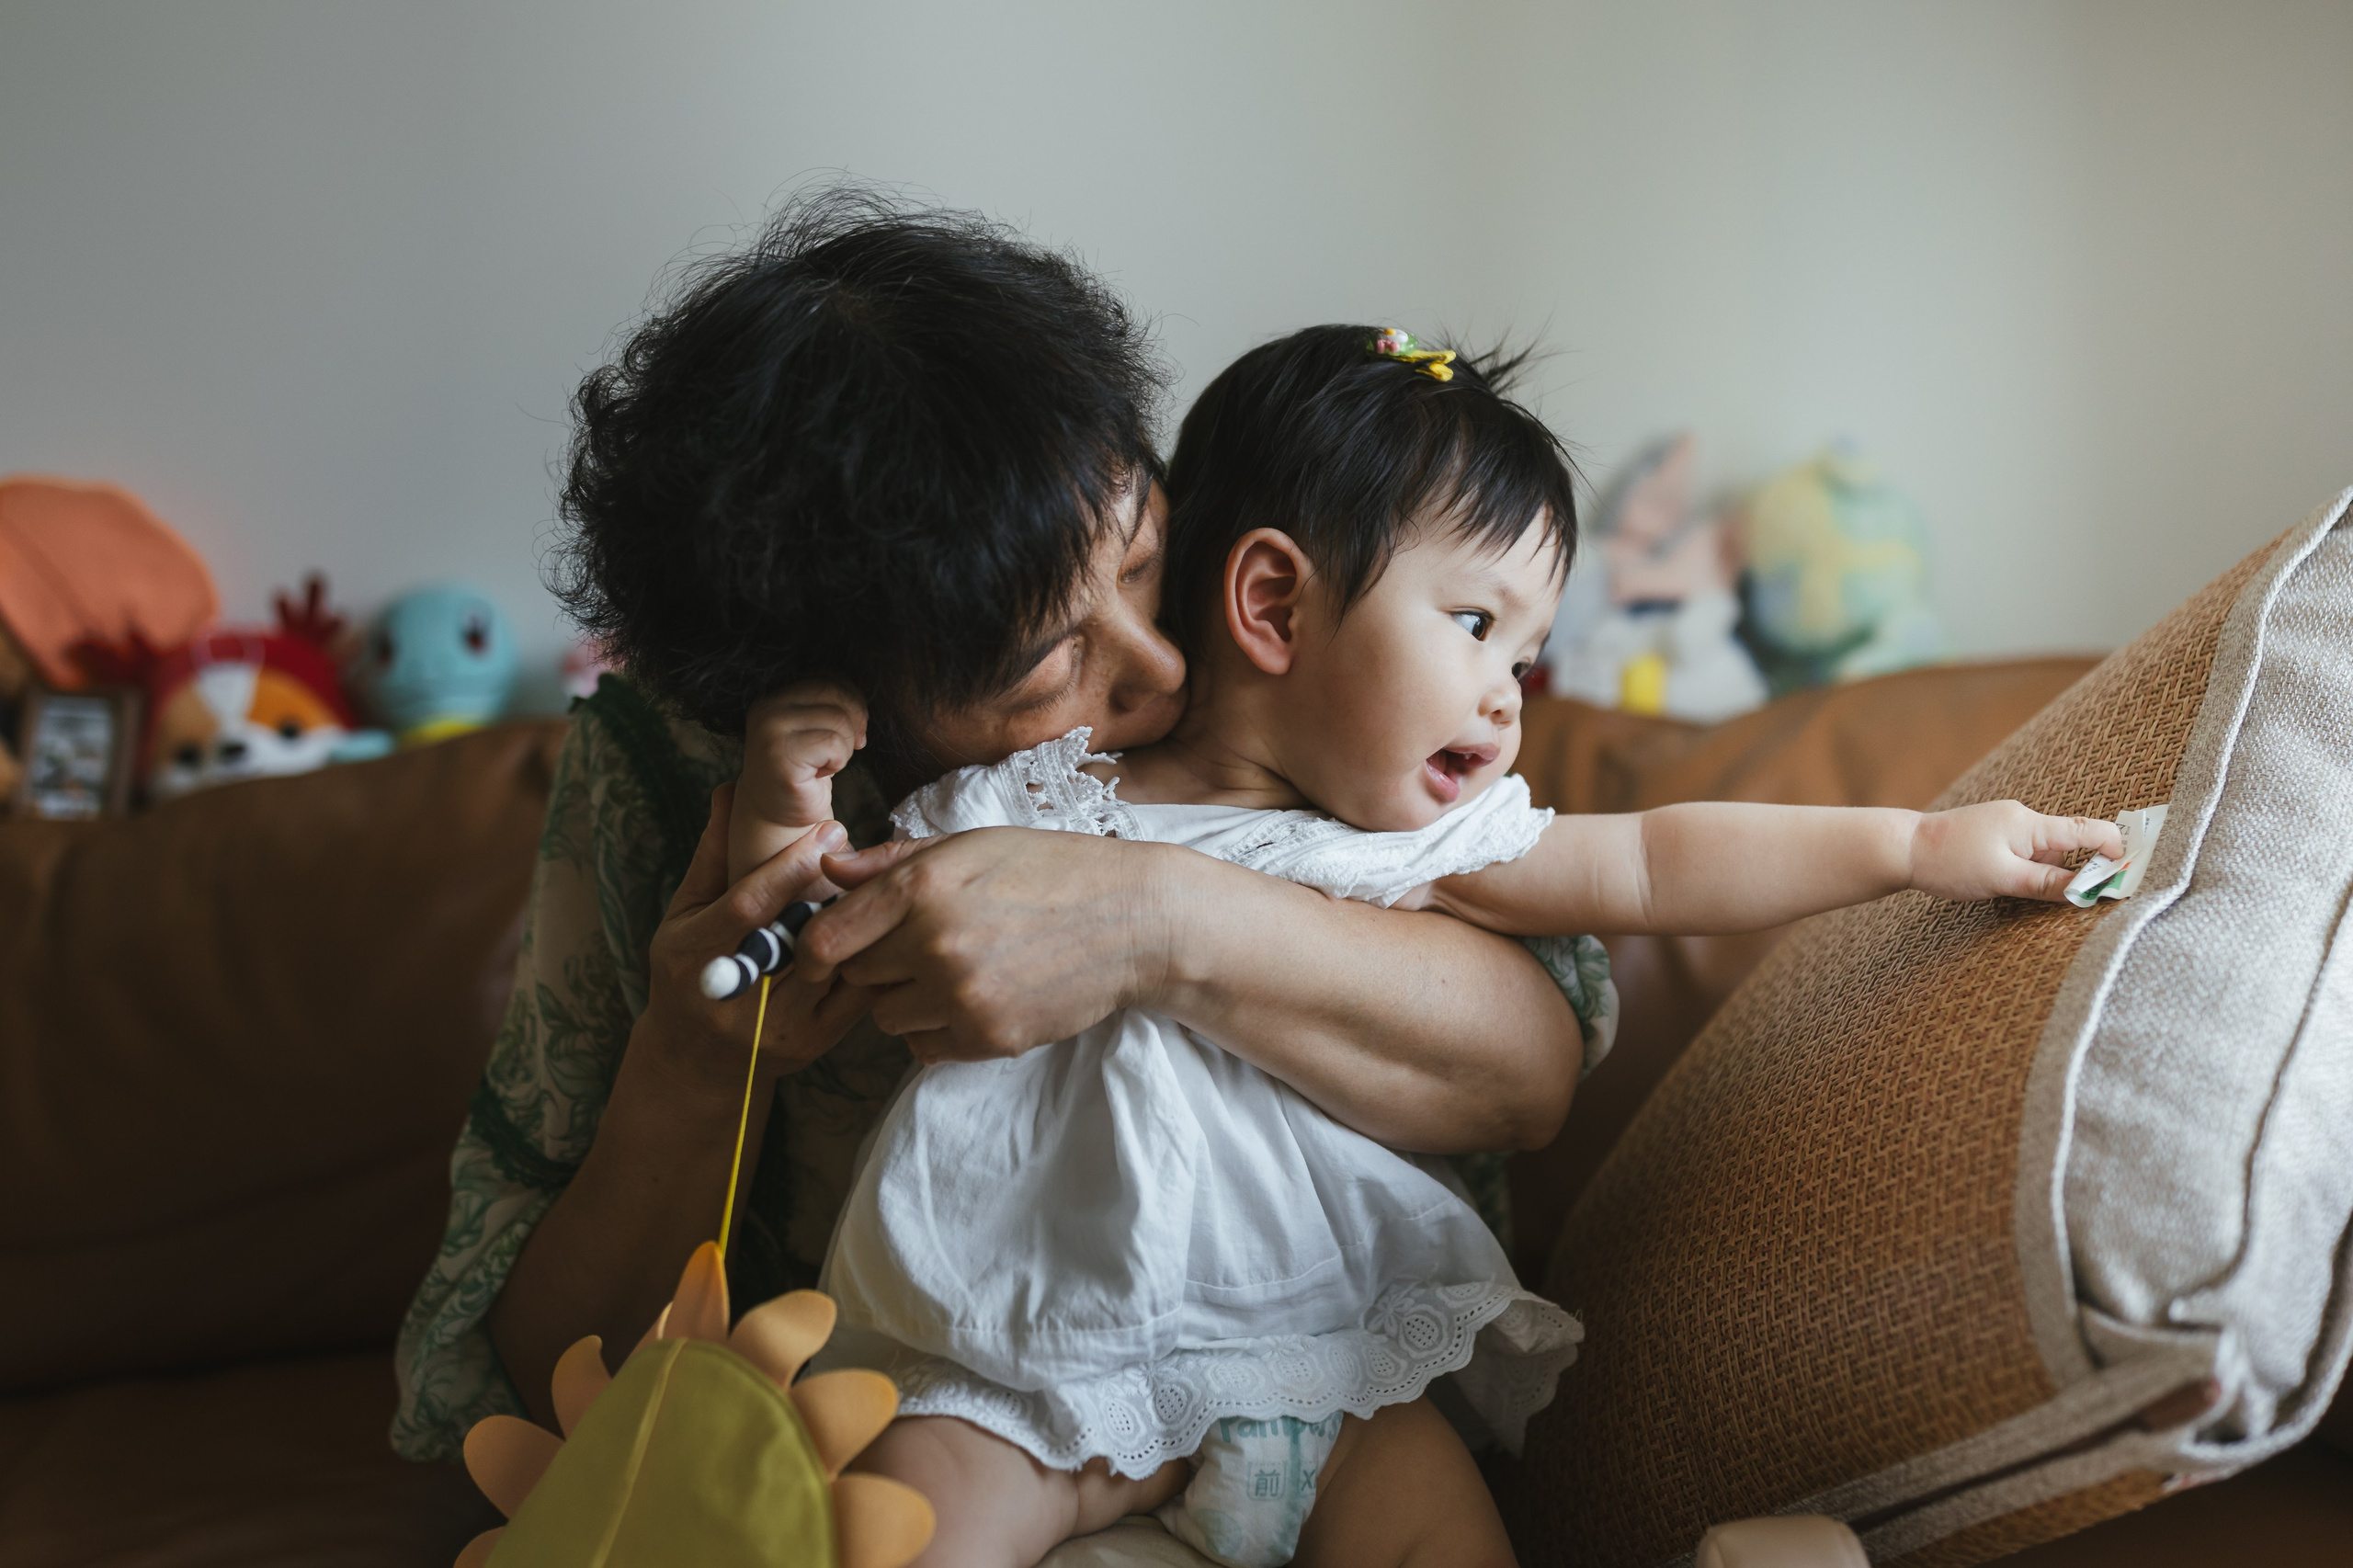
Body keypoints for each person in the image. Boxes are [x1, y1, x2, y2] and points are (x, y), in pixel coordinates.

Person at [752, 326, 2125, 1568]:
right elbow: (831, 907)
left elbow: (1653, 858)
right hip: (1031, 1366)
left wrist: (1916, 849)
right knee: (897, 1527)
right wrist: (784, 798)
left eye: (1524, 655)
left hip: (1334, 1364)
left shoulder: (1418, 851)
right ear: (1275, 606)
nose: (1505, 694)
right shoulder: (1038, 800)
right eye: (1475, 624)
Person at [390, 195, 1607, 1470]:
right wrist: (697, 1069)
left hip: (1323, 1412)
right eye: (1043, 670)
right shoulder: (667, 775)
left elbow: (1526, 1074)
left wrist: (1153, 920)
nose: (1159, 671)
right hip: (942, 1456)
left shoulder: (1286, 643)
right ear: (833, 695)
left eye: (1142, 560)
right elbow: (547, 1386)